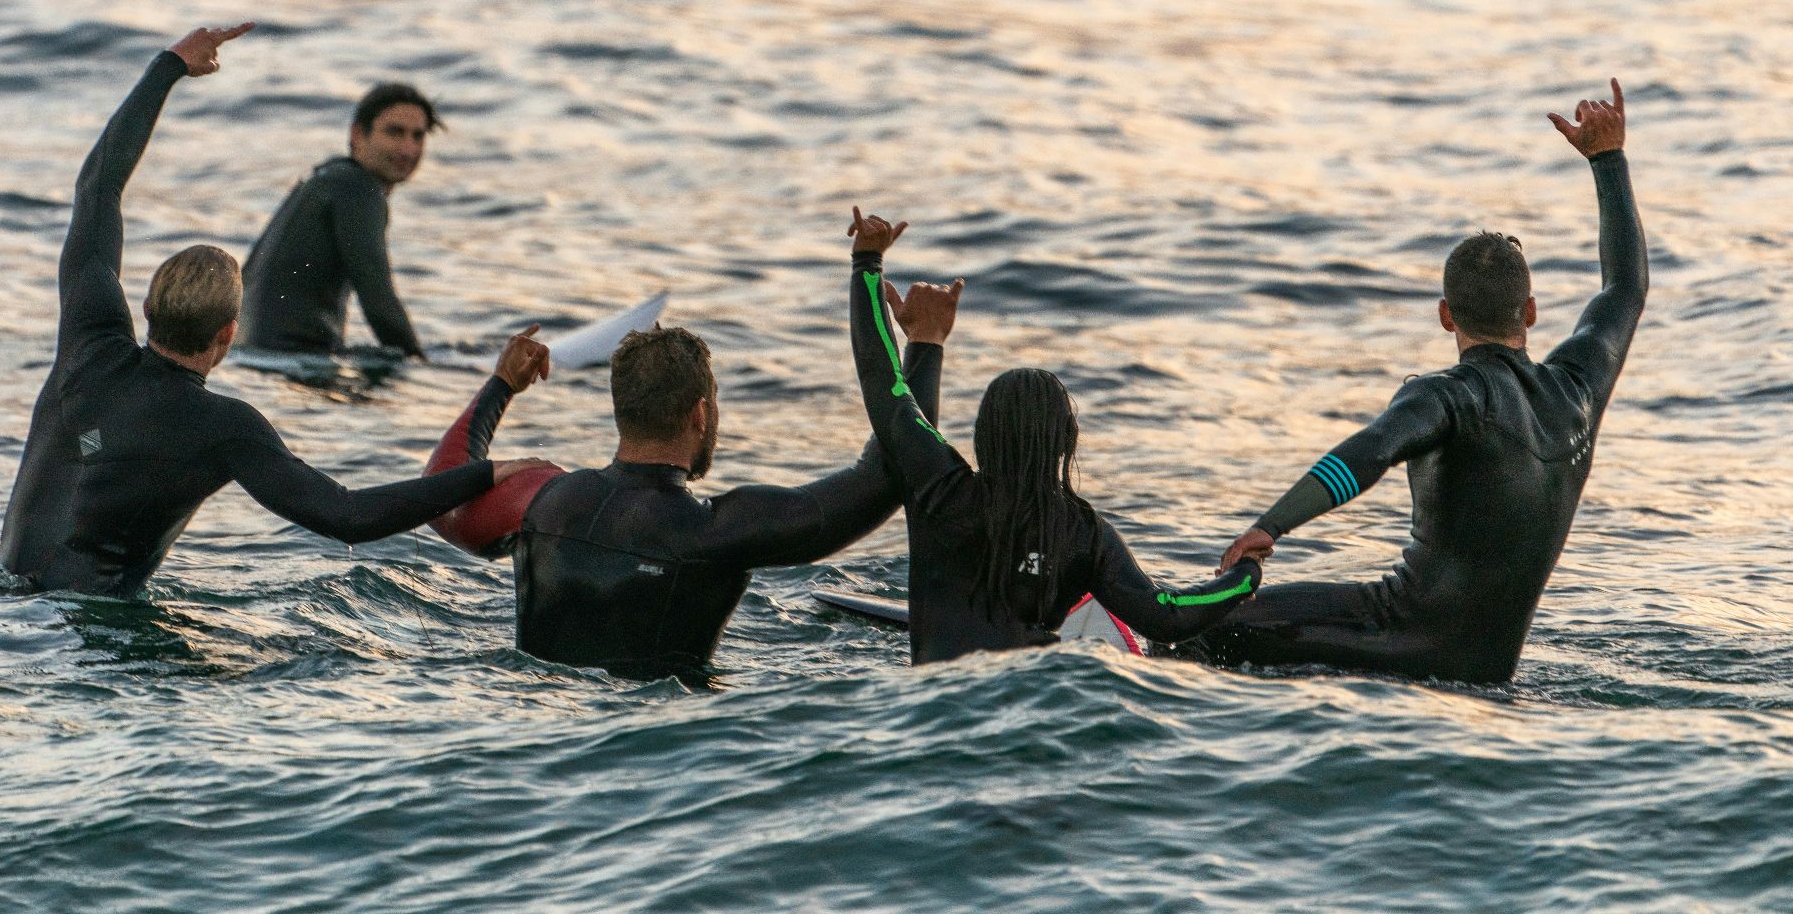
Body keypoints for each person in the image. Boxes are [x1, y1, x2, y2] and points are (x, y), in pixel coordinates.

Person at [0, 26, 531, 596]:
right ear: (228, 336)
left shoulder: (88, 341)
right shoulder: (225, 426)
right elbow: (346, 515)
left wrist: (169, 67)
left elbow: (97, 187)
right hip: (89, 629)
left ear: (149, 307)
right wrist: (484, 474)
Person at [1192, 79, 1645, 684]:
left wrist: (1270, 525)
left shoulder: (1445, 396)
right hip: (1488, 670)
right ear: (1530, 311)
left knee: (1204, 629)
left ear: (1445, 315)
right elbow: (1625, 289)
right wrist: (1608, 159)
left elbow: (1368, 452)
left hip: (1400, 639)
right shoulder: (1578, 391)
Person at [421, 311, 947, 678]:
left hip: (535, 720)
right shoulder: (717, 532)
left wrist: (501, 386)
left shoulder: (542, 498)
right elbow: (889, 473)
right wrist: (924, 342)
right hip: (664, 759)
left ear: (621, 410)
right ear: (700, 413)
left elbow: (441, 490)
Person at [846, 209, 1264, 665]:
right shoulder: (1083, 533)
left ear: (983, 434)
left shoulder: (940, 491)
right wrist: (1245, 574)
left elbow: (884, 383)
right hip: (1044, 696)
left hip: (938, 699)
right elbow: (1168, 615)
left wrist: (867, 265)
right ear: (1066, 442)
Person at [238, 82, 444, 356]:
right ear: (357, 134)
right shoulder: (357, 188)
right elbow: (380, 304)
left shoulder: (327, 179)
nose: (408, 149)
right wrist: (422, 366)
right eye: (395, 133)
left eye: (418, 136)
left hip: (251, 352)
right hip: (291, 357)